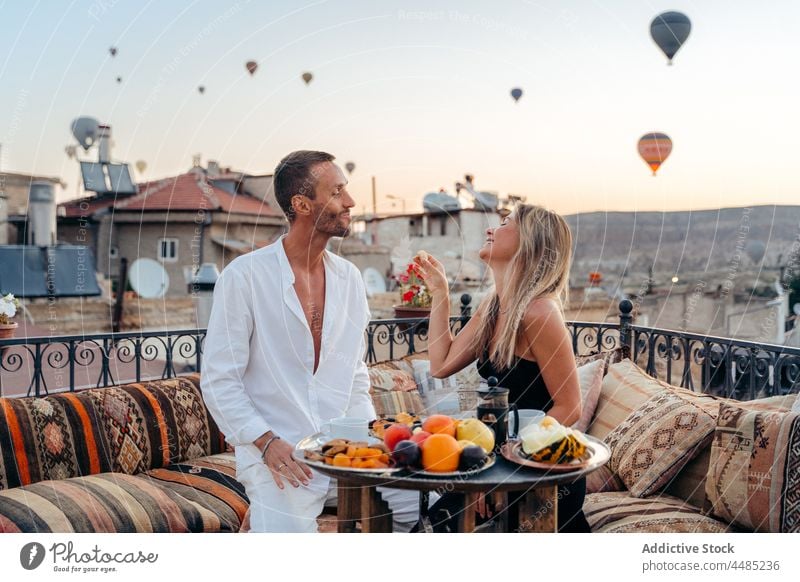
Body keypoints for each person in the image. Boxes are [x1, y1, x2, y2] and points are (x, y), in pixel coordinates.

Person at [201, 150, 420, 532]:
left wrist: (367, 443)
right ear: (301, 204)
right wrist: (266, 443)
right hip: (280, 457)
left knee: (425, 503)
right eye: (337, 192)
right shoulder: (244, 278)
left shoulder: (350, 279)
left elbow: (352, 376)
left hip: (344, 450)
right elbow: (219, 382)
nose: (350, 202)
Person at [413, 203, 590, 532]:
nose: (492, 229)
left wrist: (507, 468)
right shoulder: (492, 306)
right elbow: (441, 364)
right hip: (498, 464)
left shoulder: (540, 313)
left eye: (506, 223)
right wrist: (441, 293)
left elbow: (570, 406)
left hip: (539, 473)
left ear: (531, 243)